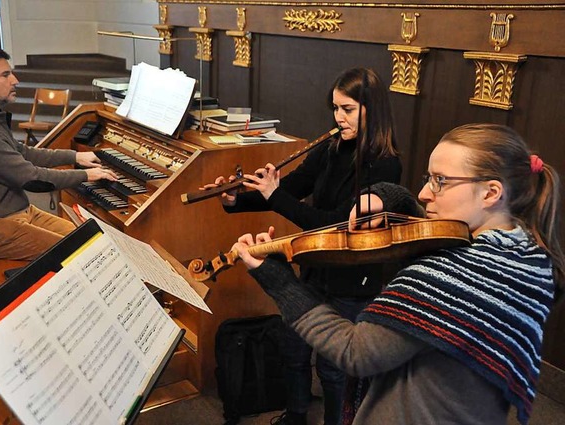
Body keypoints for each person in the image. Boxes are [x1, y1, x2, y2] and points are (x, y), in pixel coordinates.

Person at [233, 123, 564, 425]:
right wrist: (393, 196)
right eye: (428, 179)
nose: (425, 192)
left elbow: (355, 352)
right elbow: (422, 216)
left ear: (491, 193)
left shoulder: (453, 277)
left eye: (441, 181)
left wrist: (281, 283)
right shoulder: (526, 258)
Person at [203, 68, 408, 425]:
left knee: (332, 368)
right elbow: (292, 188)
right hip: (314, 267)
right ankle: (295, 416)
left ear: (371, 110)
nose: (338, 117)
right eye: (335, 108)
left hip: (351, 279)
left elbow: (334, 226)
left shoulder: (386, 165)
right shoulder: (331, 149)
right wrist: (236, 199)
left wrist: (275, 195)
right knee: (294, 349)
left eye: (347, 109)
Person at [0, 44, 117, 261]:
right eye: (6, 75)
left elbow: (22, 152)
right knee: (82, 253)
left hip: (14, 211)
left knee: (95, 240)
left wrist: (74, 156)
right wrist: (86, 176)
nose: (15, 80)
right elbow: (31, 179)